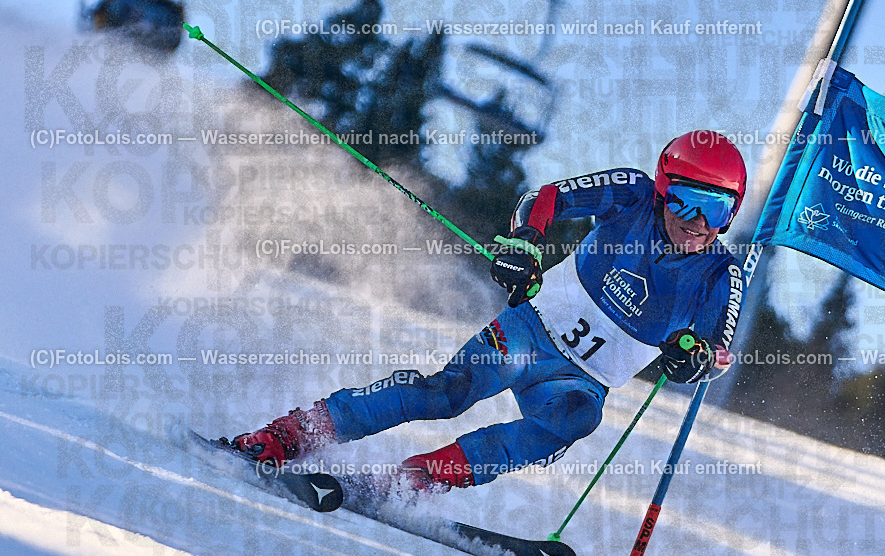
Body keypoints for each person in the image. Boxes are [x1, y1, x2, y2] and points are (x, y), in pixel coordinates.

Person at [231, 130, 746, 493]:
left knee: (575, 419)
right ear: (662, 190)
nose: (698, 222)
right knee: (447, 393)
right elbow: (546, 198)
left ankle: (417, 480)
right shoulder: (632, 193)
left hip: (581, 382)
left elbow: (718, 352)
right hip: (530, 332)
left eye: (717, 209)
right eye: (685, 201)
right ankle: (291, 434)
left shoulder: (720, 273)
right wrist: (526, 243)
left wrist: (696, 358)